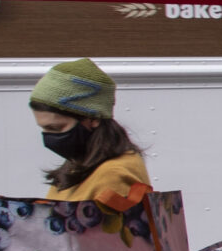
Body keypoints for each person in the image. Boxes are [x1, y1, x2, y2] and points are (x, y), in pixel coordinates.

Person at [29, 57, 150, 209]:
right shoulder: (80, 164)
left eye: (56, 128)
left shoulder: (113, 175)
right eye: (43, 129)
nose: (47, 138)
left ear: (93, 118)